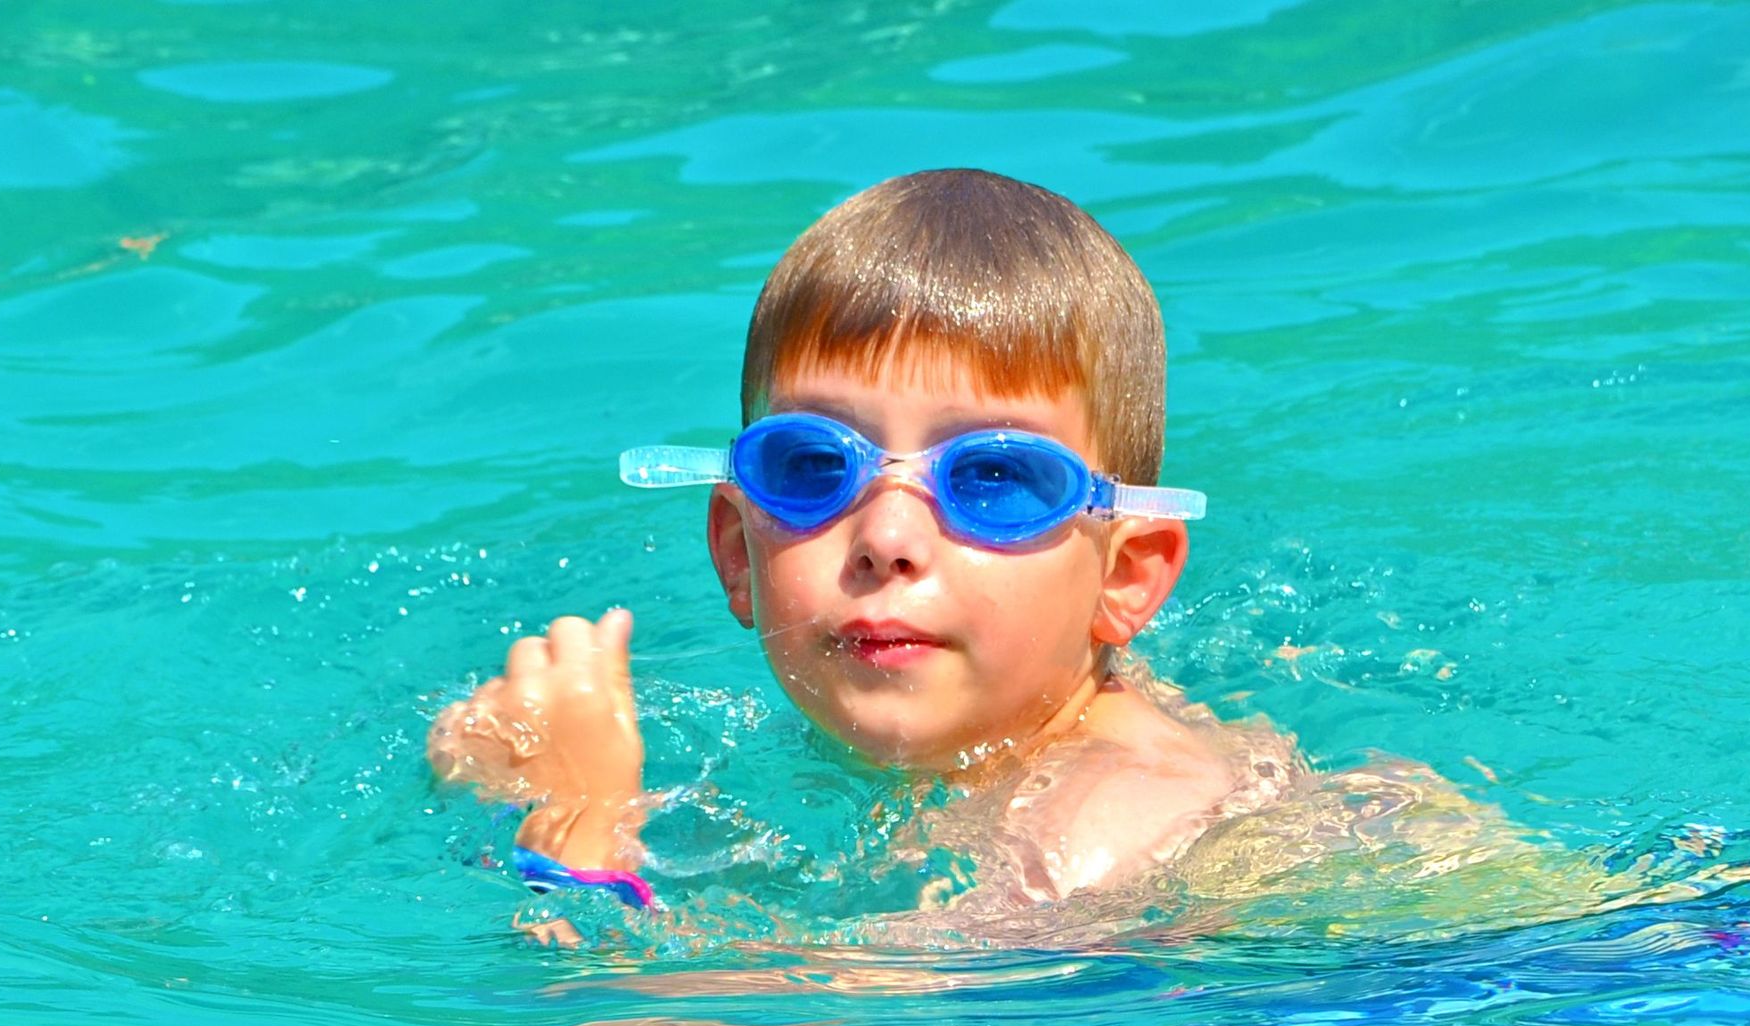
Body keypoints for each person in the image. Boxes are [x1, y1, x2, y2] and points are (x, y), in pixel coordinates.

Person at [427, 168, 1300, 929]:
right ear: (736, 550)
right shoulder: (973, 760)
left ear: (1125, 576)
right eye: (811, 466)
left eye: (994, 478)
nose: (886, 539)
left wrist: (577, 819)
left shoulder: (1099, 826)